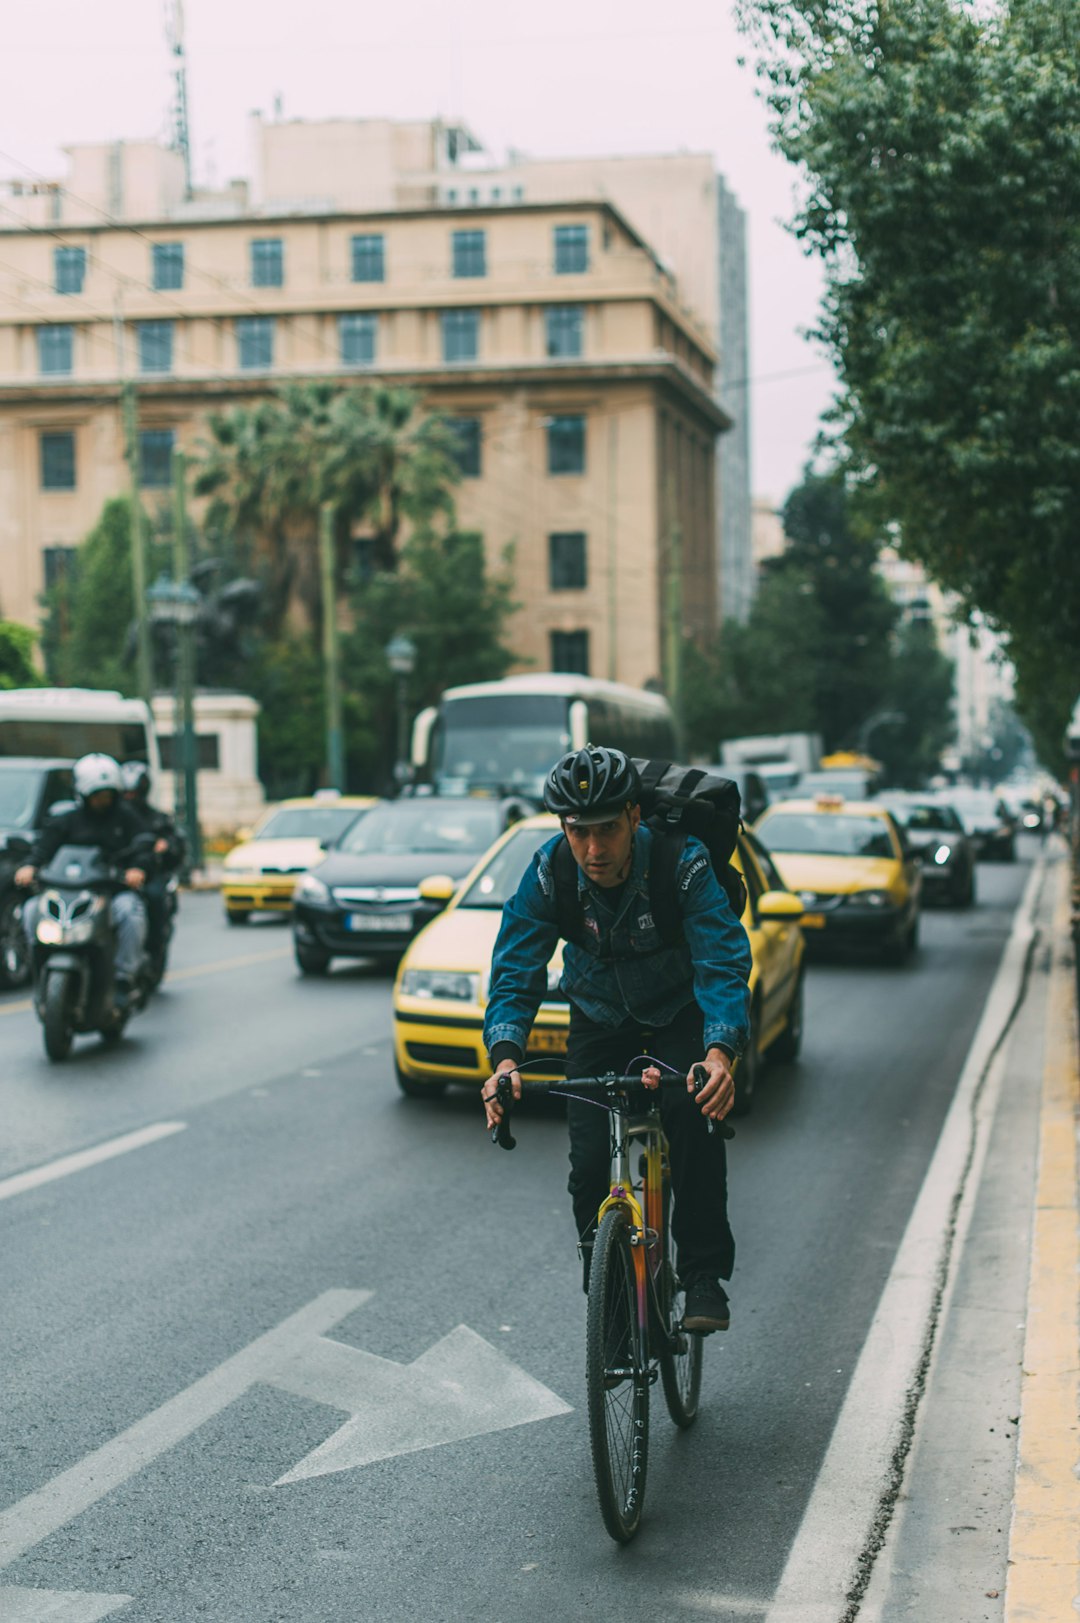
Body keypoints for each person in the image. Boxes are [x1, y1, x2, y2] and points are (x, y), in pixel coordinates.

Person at [482, 746, 752, 1333]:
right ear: (563, 828)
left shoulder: (683, 862)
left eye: (607, 829)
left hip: (680, 1010)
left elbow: (722, 960)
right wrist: (504, 1061)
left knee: (691, 1113)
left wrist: (718, 1052)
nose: (594, 850)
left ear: (634, 817)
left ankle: (704, 1274)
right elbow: (515, 967)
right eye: (579, 833)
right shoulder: (550, 869)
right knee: (585, 1168)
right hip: (599, 1016)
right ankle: (607, 1290)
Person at [15, 754, 152, 1009]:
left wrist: (138, 868)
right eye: (97, 794)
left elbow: (144, 845)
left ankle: (124, 977)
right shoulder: (67, 820)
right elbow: (44, 847)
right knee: (32, 910)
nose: (103, 799)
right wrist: (30, 866)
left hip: (110, 892)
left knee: (131, 912)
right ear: (83, 793)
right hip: (66, 891)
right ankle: (39, 966)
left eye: (108, 794)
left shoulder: (127, 818)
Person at [121, 761, 185, 954]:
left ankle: (154, 945)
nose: (129, 798)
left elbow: (176, 844)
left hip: (150, 873)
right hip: (117, 872)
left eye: (133, 793)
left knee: (155, 897)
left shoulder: (157, 818)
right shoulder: (113, 818)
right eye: (125, 793)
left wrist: (165, 846)